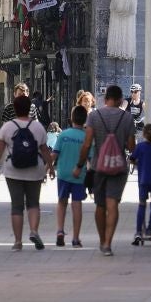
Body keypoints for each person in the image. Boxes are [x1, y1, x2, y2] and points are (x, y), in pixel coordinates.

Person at [74, 84, 137, 257]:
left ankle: (102, 240)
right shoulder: (127, 118)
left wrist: (80, 166)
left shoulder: (94, 116)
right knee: (113, 204)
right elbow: (131, 147)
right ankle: (109, 242)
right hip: (119, 166)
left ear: (105, 98)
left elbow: (87, 144)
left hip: (98, 166)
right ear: (120, 100)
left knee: (100, 205)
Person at [0, 94, 56, 250]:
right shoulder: (38, 127)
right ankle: (34, 231)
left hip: (13, 170)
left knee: (17, 206)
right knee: (33, 203)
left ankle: (18, 242)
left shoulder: (7, 127)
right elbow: (45, 150)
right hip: (35, 170)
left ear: (15, 108)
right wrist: (51, 167)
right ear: (29, 109)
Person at [52, 106, 89, 248]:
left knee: (62, 202)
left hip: (63, 174)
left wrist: (47, 168)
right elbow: (90, 158)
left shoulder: (63, 135)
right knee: (77, 204)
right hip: (79, 175)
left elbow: (54, 154)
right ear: (85, 120)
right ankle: (75, 238)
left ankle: (60, 231)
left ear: (71, 118)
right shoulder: (86, 137)